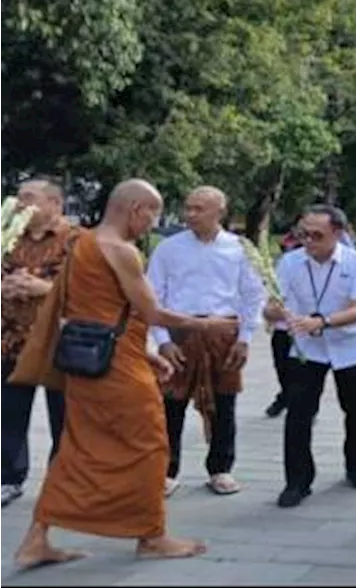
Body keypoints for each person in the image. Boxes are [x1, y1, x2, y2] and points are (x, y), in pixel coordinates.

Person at [9, 179, 226, 569]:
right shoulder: (120, 251)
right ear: (135, 209)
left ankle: (36, 539)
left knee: (76, 450)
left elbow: (97, 315)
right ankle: (152, 536)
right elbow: (154, 313)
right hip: (116, 372)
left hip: (87, 364)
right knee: (150, 443)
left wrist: (145, 352)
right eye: (153, 214)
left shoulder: (81, 244)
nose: (152, 223)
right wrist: (206, 326)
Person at [147, 187, 266, 498]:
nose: (190, 214)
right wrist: (162, 341)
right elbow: (152, 296)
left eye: (199, 208)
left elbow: (253, 295)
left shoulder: (240, 248)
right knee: (171, 404)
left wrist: (245, 338)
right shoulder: (168, 248)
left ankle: (221, 468)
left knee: (224, 404)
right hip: (179, 332)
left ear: (219, 213)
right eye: (188, 207)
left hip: (223, 333)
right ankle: (166, 471)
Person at [270, 205, 356, 508]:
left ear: (338, 234)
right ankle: (297, 482)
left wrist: (323, 321)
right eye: (303, 234)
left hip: (350, 344)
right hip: (306, 347)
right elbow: (272, 305)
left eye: (317, 235)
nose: (309, 241)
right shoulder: (290, 263)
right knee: (299, 414)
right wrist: (275, 312)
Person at [0, 178, 72, 508]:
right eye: (18, 197)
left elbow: (85, 286)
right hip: (11, 339)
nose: (19, 204)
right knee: (8, 412)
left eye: (29, 198)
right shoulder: (8, 235)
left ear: (54, 204)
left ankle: (63, 482)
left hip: (59, 341)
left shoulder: (78, 240)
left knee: (65, 414)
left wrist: (42, 289)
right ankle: (9, 477)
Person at [265, 218, 305, 418]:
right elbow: (276, 291)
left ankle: (302, 406)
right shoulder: (289, 259)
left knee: (302, 374)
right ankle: (286, 396)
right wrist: (272, 311)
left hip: (307, 327)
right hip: (283, 325)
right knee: (282, 368)